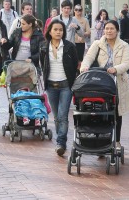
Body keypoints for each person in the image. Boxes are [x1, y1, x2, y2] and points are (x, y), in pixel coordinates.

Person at [80, 20, 129, 150]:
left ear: (117, 31)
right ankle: (101, 141)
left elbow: (126, 63)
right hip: (101, 82)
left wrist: (115, 69)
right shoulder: (97, 44)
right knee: (99, 110)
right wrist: (84, 66)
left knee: (116, 112)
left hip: (117, 82)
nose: (109, 31)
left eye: (112, 29)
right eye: (107, 28)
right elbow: (88, 57)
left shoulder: (124, 45)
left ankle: (117, 141)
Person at [40, 20, 78, 156]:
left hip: (65, 86)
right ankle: (60, 140)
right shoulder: (44, 47)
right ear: (50, 31)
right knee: (56, 116)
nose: (58, 32)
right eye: (55, 29)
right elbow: (42, 65)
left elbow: (75, 66)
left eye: (60, 30)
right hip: (51, 86)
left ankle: (61, 142)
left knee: (63, 115)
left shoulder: (69, 47)